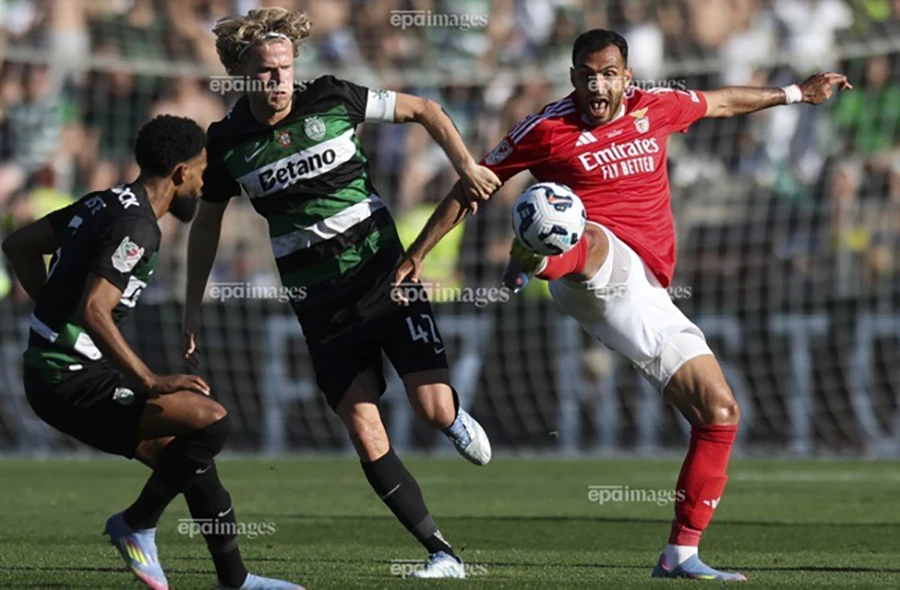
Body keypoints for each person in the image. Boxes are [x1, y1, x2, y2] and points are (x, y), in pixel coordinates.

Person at [396, 29, 852, 582]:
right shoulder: (546, 128)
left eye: (608, 74)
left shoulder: (656, 107)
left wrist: (798, 94)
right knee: (583, 229)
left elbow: (724, 102)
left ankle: (680, 554)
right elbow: (476, 183)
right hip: (590, 268)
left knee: (720, 414)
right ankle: (538, 258)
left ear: (626, 77)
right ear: (572, 77)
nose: (598, 85)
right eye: (587, 74)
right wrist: (418, 252)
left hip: (646, 289)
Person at [183, 7, 499, 578]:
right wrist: (192, 306)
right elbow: (206, 225)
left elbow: (425, 109)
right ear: (241, 73)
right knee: (363, 425)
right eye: (262, 72)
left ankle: (452, 417)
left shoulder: (334, 97)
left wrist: (466, 165)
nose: (275, 80)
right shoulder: (228, 141)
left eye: (283, 68)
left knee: (431, 410)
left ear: (295, 65)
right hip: (320, 306)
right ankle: (441, 552)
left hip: (385, 276)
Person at [2, 115, 302, 590]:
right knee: (212, 420)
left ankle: (236, 580)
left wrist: (50, 310)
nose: (204, 184)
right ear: (181, 173)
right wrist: (150, 380)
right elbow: (96, 310)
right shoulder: (139, 227)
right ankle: (136, 524)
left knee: (191, 458)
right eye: (202, 172)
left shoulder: (106, 202)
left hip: (59, 371)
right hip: (69, 381)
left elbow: (19, 245)